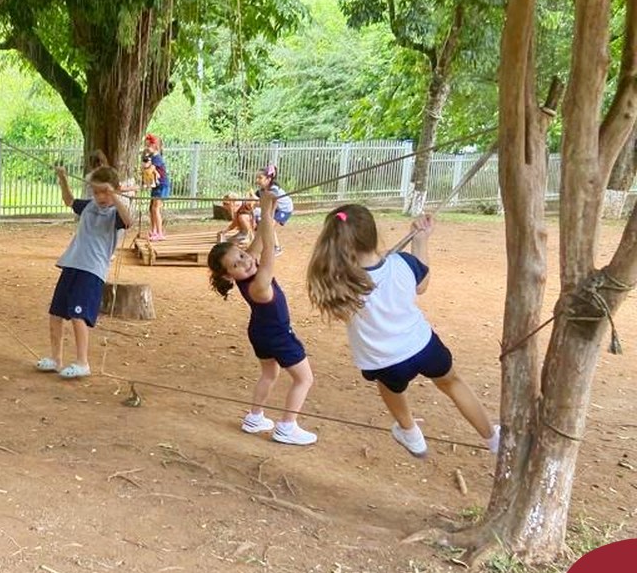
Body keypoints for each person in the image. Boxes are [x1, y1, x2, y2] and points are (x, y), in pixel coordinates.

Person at [306, 204, 500, 458]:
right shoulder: (403, 263)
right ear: (374, 235)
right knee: (453, 382)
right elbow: (422, 285)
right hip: (424, 347)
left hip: (385, 362)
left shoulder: (341, 281)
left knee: (391, 388)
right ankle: (493, 439)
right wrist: (421, 241)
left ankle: (410, 432)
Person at [208, 190, 317, 445]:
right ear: (228, 276)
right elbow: (269, 247)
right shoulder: (258, 284)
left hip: (260, 332)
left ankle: (254, 418)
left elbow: (258, 242)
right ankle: (287, 427)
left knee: (269, 374)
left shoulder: (248, 268)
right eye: (236, 265)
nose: (245, 262)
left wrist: (270, 210)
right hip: (278, 335)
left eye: (241, 255)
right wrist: (266, 212)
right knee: (304, 379)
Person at [36, 164, 132, 379]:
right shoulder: (89, 206)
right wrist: (62, 178)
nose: (100, 197)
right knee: (56, 314)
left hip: (92, 270)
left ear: (115, 189)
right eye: (96, 192)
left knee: (78, 315)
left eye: (104, 192)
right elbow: (69, 201)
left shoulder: (115, 214)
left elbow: (128, 221)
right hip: (72, 264)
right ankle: (56, 359)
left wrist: (115, 196)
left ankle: (82, 362)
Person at [253, 164, 294, 252]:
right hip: (276, 209)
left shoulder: (274, 189)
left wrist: (255, 202)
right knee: (263, 223)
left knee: (269, 226)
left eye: (260, 178)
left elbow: (267, 204)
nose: (257, 180)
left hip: (284, 209)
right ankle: (262, 245)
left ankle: (276, 247)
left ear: (268, 179)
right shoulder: (261, 190)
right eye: (257, 178)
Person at [141, 133, 170, 240]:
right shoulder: (152, 157)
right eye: (146, 145)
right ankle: (153, 230)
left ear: (155, 146)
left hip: (161, 185)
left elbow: (150, 170)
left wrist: (145, 167)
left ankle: (160, 233)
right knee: (151, 208)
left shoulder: (157, 157)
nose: (146, 148)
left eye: (148, 146)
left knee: (155, 208)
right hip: (156, 186)